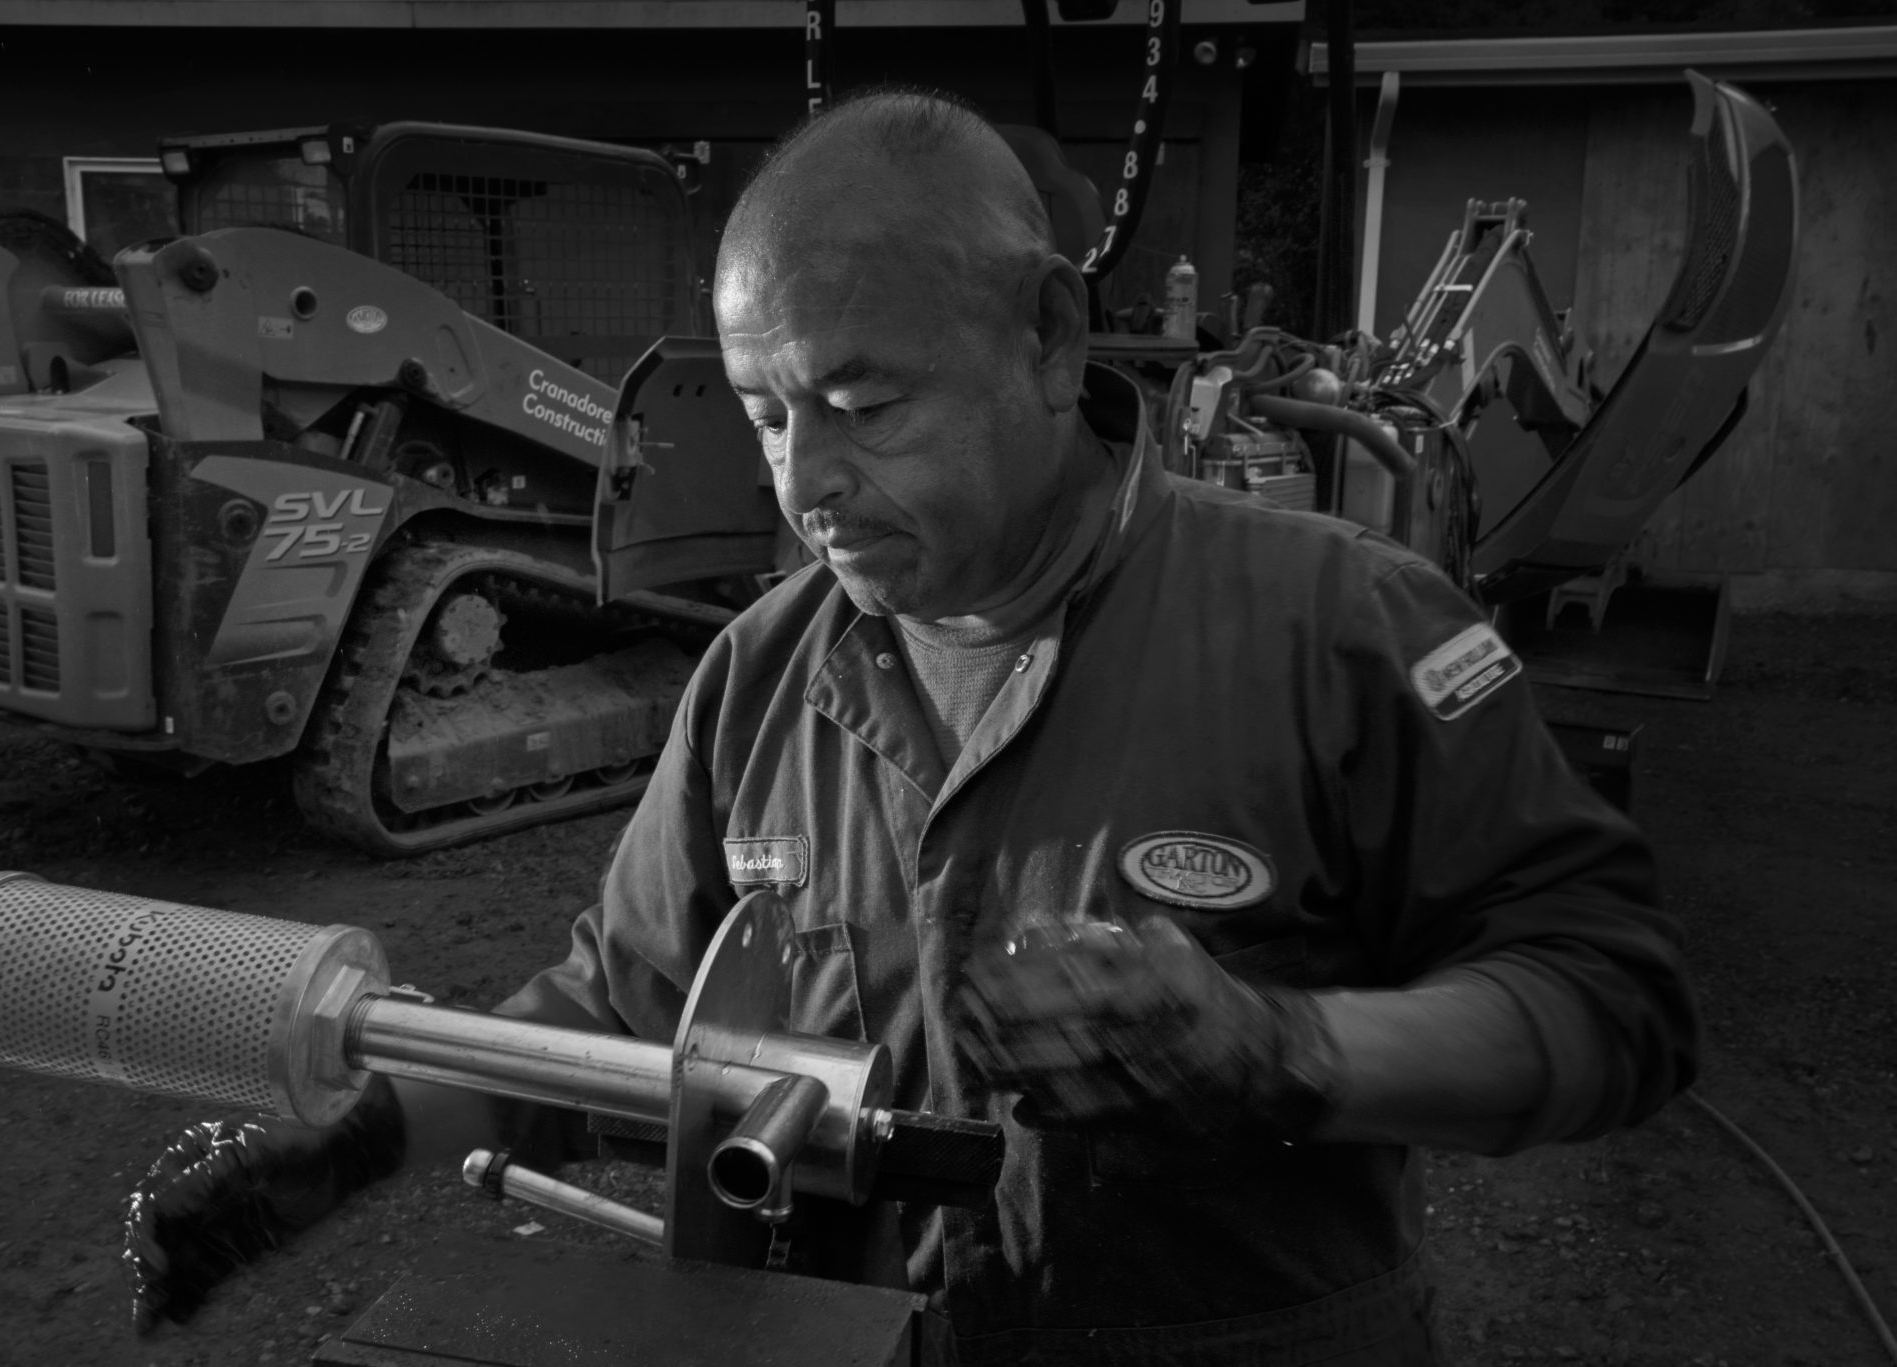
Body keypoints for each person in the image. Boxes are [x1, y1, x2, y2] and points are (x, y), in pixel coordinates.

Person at [124, 90, 1698, 1365]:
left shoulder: (1349, 627)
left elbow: (1613, 1004)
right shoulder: (759, 672)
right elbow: (617, 1016)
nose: (801, 484)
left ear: (1051, 339)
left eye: (865, 407)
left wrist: (1289, 1055)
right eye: (760, 410)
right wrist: (345, 1149)